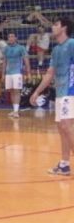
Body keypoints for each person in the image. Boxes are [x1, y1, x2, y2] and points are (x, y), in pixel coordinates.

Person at [30, 17, 74, 175]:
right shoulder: (56, 50)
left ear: (64, 28)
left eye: (56, 24)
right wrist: (37, 91)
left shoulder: (71, 44)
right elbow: (50, 74)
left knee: (67, 127)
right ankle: (64, 164)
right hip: (61, 93)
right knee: (62, 128)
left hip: (71, 91)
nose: (52, 27)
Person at [2, 32, 30, 118]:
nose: (10, 38)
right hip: (8, 73)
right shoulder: (6, 48)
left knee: (17, 91)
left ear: (16, 38)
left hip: (17, 73)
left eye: (12, 36)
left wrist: (28, 73)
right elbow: (4, 62)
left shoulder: (21, 48)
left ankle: (16, 111)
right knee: (11, 91)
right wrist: (3, 74)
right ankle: (14, 110)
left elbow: (26, 60)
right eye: (9, 37)